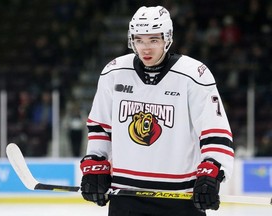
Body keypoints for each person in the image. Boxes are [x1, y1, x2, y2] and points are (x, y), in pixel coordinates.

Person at [80, 6, 234, 216]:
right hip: (126, 197)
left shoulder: (194, 75)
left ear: (167, 38)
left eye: (153, 40)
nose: (145, 48)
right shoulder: (114, 72)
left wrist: (213, 171)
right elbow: (100, 127)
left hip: (179, 198)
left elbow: (215, 132)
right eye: (139, 39)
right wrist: (95, 162)